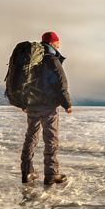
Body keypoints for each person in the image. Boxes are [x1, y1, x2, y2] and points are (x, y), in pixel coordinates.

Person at [21, 31, 73, 185]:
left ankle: (26, 171)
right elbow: (61, 83)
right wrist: (67, 104)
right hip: (48, 106)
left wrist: (24, 102)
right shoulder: (52, 60)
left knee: (31, 137)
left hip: (31, 105)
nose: (59, 44)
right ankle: (51, 174)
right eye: (57, 41)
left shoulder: (32, 60)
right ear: (53, 43)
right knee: (50, 139)